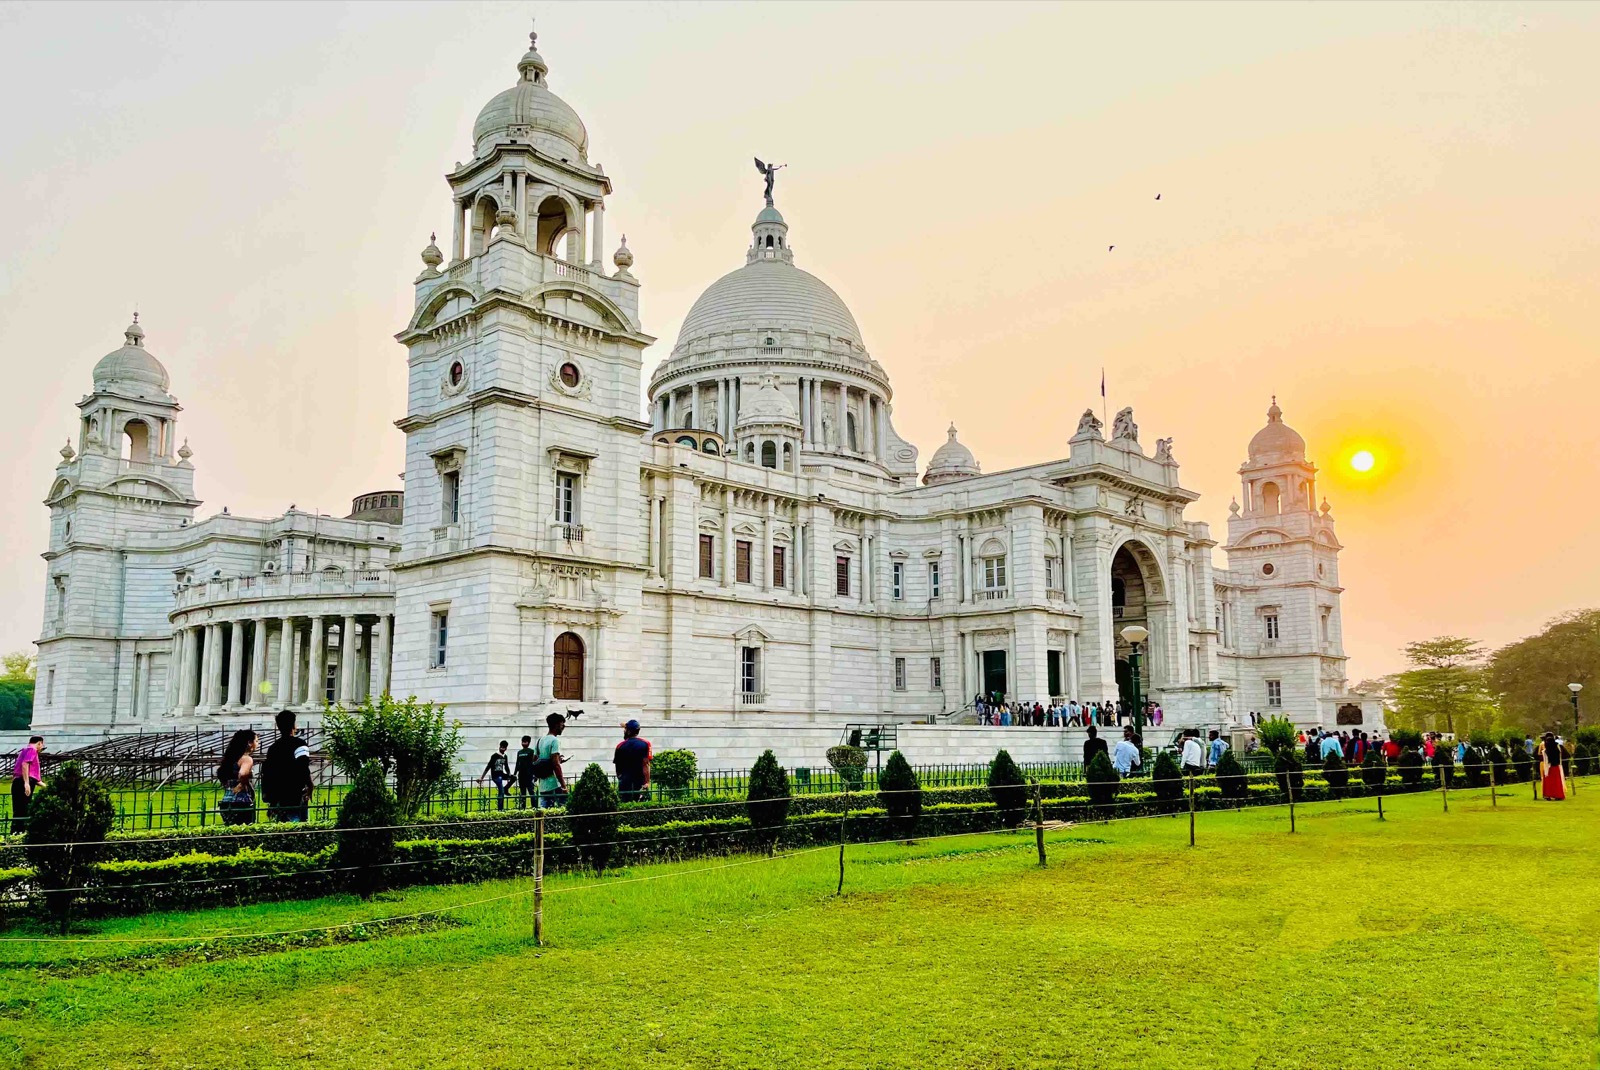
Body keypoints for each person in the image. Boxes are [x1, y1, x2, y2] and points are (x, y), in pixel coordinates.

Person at [261, 709, 314, 822]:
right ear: (293, 725)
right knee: (298, 824)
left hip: (278, 794)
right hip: (295, 792)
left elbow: (268, 771)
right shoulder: (300, 744)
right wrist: (310, 786)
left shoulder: (273, 748)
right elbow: (303, 767)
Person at [217, 729, 258, 825]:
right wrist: (241, 784)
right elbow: (243, 774)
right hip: (242, 801)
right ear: (249, 743)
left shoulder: (229, 760)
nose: (258, 743)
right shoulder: (247, 759)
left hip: (226, 801)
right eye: (256, 741)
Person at [9, 735, 44, 834]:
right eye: (42, 745)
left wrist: (45, 785)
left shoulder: (25, 750)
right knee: (23, 810)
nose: (41, 747)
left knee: (19, 810)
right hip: (23, 782)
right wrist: (26, 783)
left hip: (20, 781)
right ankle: (19, 832)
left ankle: (15, 833)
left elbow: (33, 776)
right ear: (39, 743)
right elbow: (25, 765)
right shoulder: (32, 750)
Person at [535, 713, 569, 809]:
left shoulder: (540, 740)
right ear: (557, 725)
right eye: (562, 724)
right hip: (554, 784)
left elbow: (534, 759)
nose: (563, 727)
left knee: (544, 814)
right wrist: (563, 786)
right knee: (564, 810)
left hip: (543, 784)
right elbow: (556, 765)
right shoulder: (555, 741)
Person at [614, 719, 652, 802]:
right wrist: (647, 782)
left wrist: (621, 778)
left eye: (625, 729)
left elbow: (617, 767)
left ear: (628, 731)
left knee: (624, 806)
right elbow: (646, 764)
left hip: (625, 782)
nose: (624, 731)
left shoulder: (620, 746)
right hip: (640, 782)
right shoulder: (645, 744)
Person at [478, 740, 512, 811]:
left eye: (504, 748)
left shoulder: (505, 756)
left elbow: (506, 767)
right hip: (495, 776)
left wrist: (509, 776)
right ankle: (500, 809)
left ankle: (506, 789)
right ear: (499, 747)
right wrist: (482, 778)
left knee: (514, 777)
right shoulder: (494, 756)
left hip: (501, 774)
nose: (502, 749)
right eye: (501, 747)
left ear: (506, 748)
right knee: (501, 790)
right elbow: (488, 767)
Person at [1539, 732, 1566, 801]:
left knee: (1548, 782)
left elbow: (1541, 755)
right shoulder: (1557, 747)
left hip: (1548, 767)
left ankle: (1548, 795)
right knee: (1557, 782)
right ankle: (1558, 795)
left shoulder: (1546, 750)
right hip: (1556, 766)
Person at [513, 735, 538, 809]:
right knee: (522, 793)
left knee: (531, 792)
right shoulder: (519, 752)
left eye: (525, 742)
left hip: (529, 775)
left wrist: (535, 774)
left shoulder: (531, 752)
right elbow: (517, 764)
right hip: (521, 775)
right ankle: (523, 808)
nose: (523, 743)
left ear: (529, 743)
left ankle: (534, 807)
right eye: (522, 742)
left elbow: (534, 763)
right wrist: (514, 774)